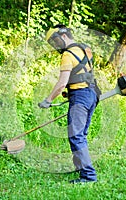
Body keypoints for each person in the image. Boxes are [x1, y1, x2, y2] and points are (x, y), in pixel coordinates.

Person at [38, 24, 99, 183]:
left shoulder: (67, 55)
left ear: (64, 36)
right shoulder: (84, 49)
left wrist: (48, 100)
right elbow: (82, 74)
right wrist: (71, 91)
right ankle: (80, 168)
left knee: (76, 136)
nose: (56, 45)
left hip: (81, 97)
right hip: (91, 94)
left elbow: (61, 83)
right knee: (81, 135)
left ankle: (89, 176)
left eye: (56, 41)